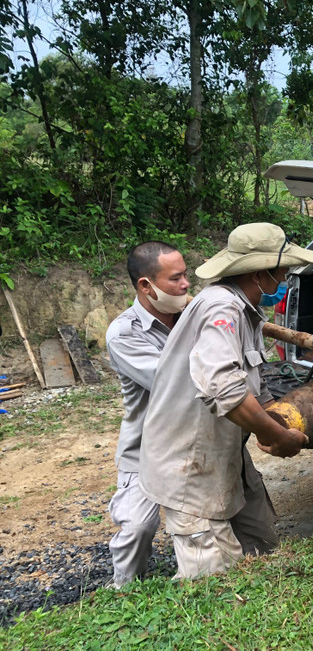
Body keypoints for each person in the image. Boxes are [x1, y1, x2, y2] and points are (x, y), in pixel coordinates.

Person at [139, 223, 313, 579]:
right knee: (216, 580)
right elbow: (223, 386)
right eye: (282, 271)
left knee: (263, 549)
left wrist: (281, 419)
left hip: (223, 454)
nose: (285, 277)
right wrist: (277, 435)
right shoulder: (221, 309)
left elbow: (251, 383)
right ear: (259, 273)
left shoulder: (245, 309)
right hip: (190, 463)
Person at [105, 241, 190, 587]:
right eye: (176, 278)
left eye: (186, 275)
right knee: (138, 527)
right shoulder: (124, 334)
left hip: (192, 441)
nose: (186, 284)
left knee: (220, 516)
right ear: (146, 285)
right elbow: (174, 381)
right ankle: (123, 590)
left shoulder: (191, 314)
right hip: (147, 448)